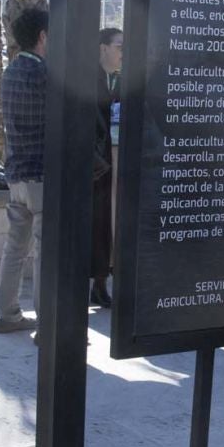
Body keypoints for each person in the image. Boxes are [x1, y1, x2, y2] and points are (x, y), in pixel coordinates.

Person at [0, 6, 48, 333]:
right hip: (42, 174)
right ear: (43, 36)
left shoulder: (10, 72)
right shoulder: (46, 75)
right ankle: (48, 326)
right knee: (45, 252)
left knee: (14, 247)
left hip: (15, 172)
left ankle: (8, 314)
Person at [89, 27, 122, 308]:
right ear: (103, 48)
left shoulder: (117, 80)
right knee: (97, 222)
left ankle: (101, 282)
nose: (124, 53)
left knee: (107, 222)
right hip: (96, 163)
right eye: (119, 47)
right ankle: (95, 281)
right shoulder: (91, 79)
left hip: (112, 158)